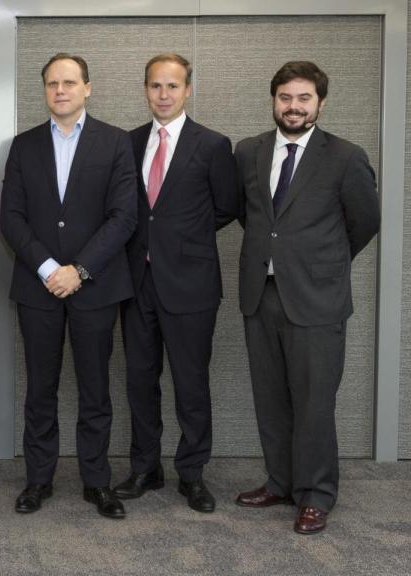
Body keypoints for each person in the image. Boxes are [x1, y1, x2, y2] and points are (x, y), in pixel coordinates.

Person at [234, 61, 379, 535]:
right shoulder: (248, 151)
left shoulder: (345, 156)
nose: (293, 107)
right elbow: (251, 218)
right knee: (271, 397)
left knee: (315, 401)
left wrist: (321, 264)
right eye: (285, 98)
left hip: (317, 300)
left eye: (303, 98)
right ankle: (281, 481)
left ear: (320, 102)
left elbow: (363, 223)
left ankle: (316, 494)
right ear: (273, 100)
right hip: (262, 294)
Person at [0, 54, 137, 519]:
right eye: (52, 83)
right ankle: (38, 480)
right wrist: (46, 267)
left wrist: (78, 270)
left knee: (95, 390)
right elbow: (12, 218)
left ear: (87, 88)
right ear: (44, 91)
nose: (61, 90)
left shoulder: (116, 143)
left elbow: (124, 217)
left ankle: (96, 482)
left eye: (70, 82)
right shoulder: (23, 146)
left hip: (95, 287)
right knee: (40, 389)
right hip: (38, 289)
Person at [113, 53, 239, 513]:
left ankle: (192, 473)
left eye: (172, 86)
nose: (163, 95)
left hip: (191, 284)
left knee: (191, 383)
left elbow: (225, 208)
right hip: (136, 282)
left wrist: (180, 242)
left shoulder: (213, 145)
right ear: (144, 90)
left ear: (188, 90)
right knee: (140, 381)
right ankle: (146, 468)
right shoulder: (126, 143)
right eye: (154, 86)